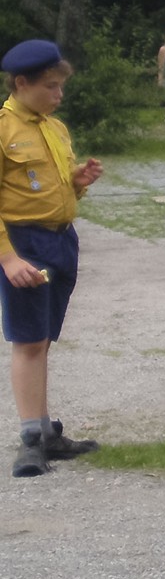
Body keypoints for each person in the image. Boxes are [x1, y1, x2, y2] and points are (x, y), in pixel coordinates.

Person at [2, 39, 104, 478]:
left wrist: (78, 182)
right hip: (23, 244)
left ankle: (45, 431)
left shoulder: (55, 128)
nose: (58, 95)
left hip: (60, 240)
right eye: (50, 86)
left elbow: (54, 189)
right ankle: (29, 442)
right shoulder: (3, 129)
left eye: (61, 86)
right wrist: (8, 259)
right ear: (21, 83)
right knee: (28, 341)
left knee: (42, 339)